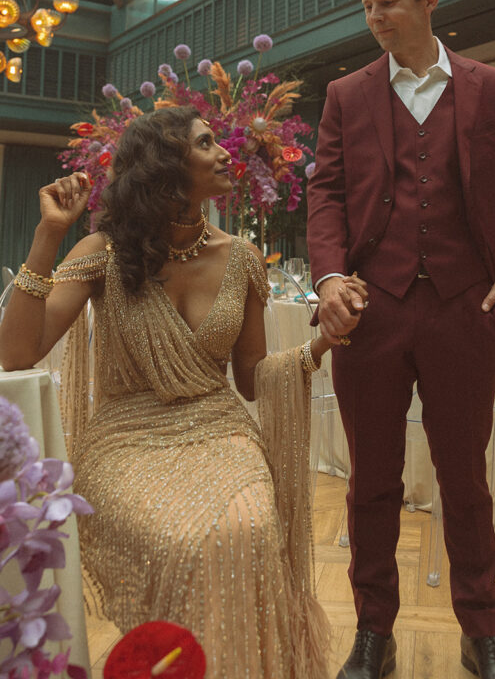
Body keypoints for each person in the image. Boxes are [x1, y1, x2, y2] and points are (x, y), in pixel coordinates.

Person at [0, 106, 365, 679]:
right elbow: (17, 353)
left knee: (247, 526)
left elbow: (249, 379)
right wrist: (48, 235)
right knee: (180, 539)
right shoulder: (102, 251)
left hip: (220, 429)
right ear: (164, 165)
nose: (225, 152)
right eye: (206, 143)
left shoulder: (241, 257)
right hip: (125, 438)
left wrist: (320, 346)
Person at [306, 0, 495, 679]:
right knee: (369, 481)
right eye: (368, 5)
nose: (375, 17)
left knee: (463, 478)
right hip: (370, 311)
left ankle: (482, 634)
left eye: (389, 3)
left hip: (464, 306)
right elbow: (327, 195)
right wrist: (329, 278)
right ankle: (373, 632)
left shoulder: (491, 86)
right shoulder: (345, 94)